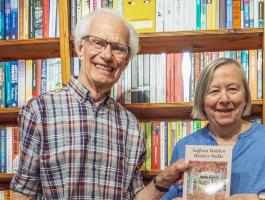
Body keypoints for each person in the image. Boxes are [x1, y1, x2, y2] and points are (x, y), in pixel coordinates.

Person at [10, 8, 189, 200]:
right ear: (80, 48)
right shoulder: (40, 111)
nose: (107, 55)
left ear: (126, 61)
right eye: (98, 42)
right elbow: (23, 192)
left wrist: (163, 180)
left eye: (118, 48)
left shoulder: (131, 126)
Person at [162, 58, 265, 200]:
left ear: (245, 97)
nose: (224, 99)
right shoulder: (184, 146)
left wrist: (260, 199)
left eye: (233, 89)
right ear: (202, 100)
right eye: (214, 91)